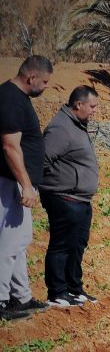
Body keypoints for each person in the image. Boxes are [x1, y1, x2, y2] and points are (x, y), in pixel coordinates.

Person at [0, 55, 53, 321]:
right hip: (12, 183)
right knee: (8, 243)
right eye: (44, 82)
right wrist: (26, 185)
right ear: (31, 77)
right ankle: (1, 301)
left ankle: (20, 297)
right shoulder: (10, 98)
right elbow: (10, 146)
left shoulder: (19, 98)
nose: (45, 87)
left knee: (19, 242)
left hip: (18, 183)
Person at [39, 85, 100, 307]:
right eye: (92, 106)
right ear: (78, 104)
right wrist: (57, 185)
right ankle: (57, 292)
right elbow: (41, 161)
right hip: (64, 198)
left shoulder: (77, 125)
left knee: (77, 245)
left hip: (80, 200)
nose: (94, 111)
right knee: (62, 245)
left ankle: (74, 289)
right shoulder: (61, 128)